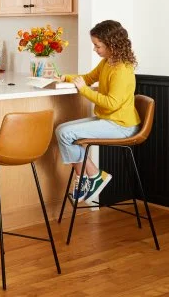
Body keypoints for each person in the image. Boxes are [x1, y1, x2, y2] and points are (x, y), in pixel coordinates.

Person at [55, 20, 141, 204]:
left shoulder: (122, 70)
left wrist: (83, 90)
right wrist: (65, 77)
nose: (95, 49)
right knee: (61, 130)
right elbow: (87, 78)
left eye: (97, 45)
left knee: (65, 133)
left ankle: (86, 178)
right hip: (108, 121)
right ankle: (92, 175)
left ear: (112, 44)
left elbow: (111, 103)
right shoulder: (107, 62)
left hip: (122, 126)